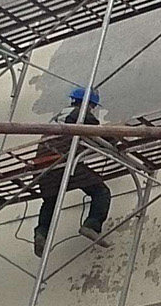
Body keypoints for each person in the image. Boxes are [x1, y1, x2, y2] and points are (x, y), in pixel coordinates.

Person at [31, 87, 113, 257]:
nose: (92, 109)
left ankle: (41, 233)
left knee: (50, 201)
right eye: (92, 106)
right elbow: (99, 135)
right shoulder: (81, 114)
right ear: (88, 104)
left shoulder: (59, 116)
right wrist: (115, 138)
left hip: (42, 165)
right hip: (62, 160)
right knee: (101, 191)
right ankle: (92, 225)